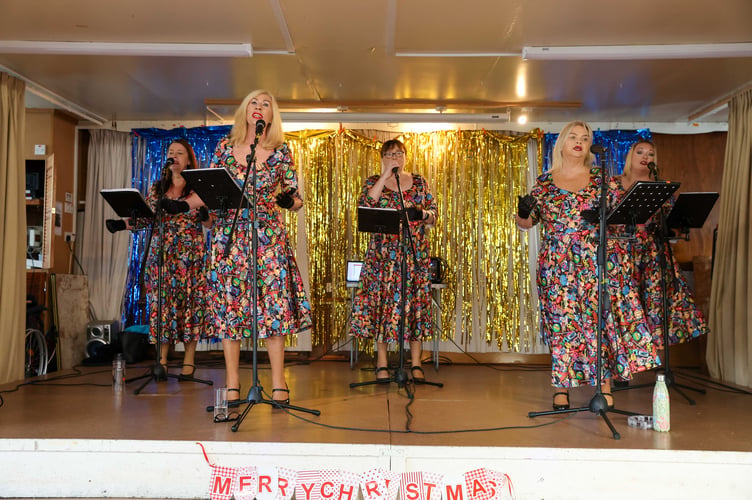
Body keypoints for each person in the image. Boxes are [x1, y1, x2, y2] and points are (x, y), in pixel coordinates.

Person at [515, 121, 657, 410]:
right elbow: (526, 223)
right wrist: (522, 211)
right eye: (573, 137)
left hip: (596, 262)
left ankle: (603, 386)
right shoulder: (544, 183)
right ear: (562, 144)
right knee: (562, 325)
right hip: (556, 265)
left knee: (597, 324)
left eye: (585, 138)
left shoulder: (602, 179)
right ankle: (561, 388)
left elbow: (621, 216)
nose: (579, 142)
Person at [204, 89, 312, 405]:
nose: (259, 107)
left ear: (271, 114)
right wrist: (202, 210)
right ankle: (233, 383)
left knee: (274, 308)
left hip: (268, 239)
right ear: (245, 109)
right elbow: (209, 189)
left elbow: (297, 199)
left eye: (266, 103)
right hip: (230, 236)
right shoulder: (224, 149)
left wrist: (288, 200)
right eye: (254, 101)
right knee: (231, 308)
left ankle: (279, 382)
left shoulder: (281, 151)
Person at [106, 139, 209, 379]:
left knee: (190, 308)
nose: (174, 156)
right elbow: (147, 218)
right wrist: (122, 224)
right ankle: (161, 361)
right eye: (171, 152)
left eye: (179, 153)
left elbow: (210, 222)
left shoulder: (198, 189)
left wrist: (204, 214)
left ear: (189, 159)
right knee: (162, 308)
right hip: (161, 257)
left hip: (190, 257)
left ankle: (189, 361)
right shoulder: (156, 189)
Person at [350, 139, 437, 382]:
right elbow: (366, 205)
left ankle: (417, 362)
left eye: (399, 153)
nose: (395, 157)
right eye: (389, 154)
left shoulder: (419, 182)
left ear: (406, 156)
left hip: (413, 256)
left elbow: (433, 215)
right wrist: (384, 175)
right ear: (382, 158)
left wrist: (421, 214)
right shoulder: (372, 182)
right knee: (382, 306)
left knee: (414, 306)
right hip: (382, 258)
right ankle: (382, 363)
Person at [614, 140, 709, 349]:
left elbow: (672, 223)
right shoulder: (614, 184)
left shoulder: (661, 187)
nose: (645, 157)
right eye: (640, 152)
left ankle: (656, 361)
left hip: (653, 254)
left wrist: (673, 226)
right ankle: (623, 363)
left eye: (650, 154)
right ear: (631, 156)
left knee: (655, 305)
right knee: (624, 307)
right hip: (623, 255)